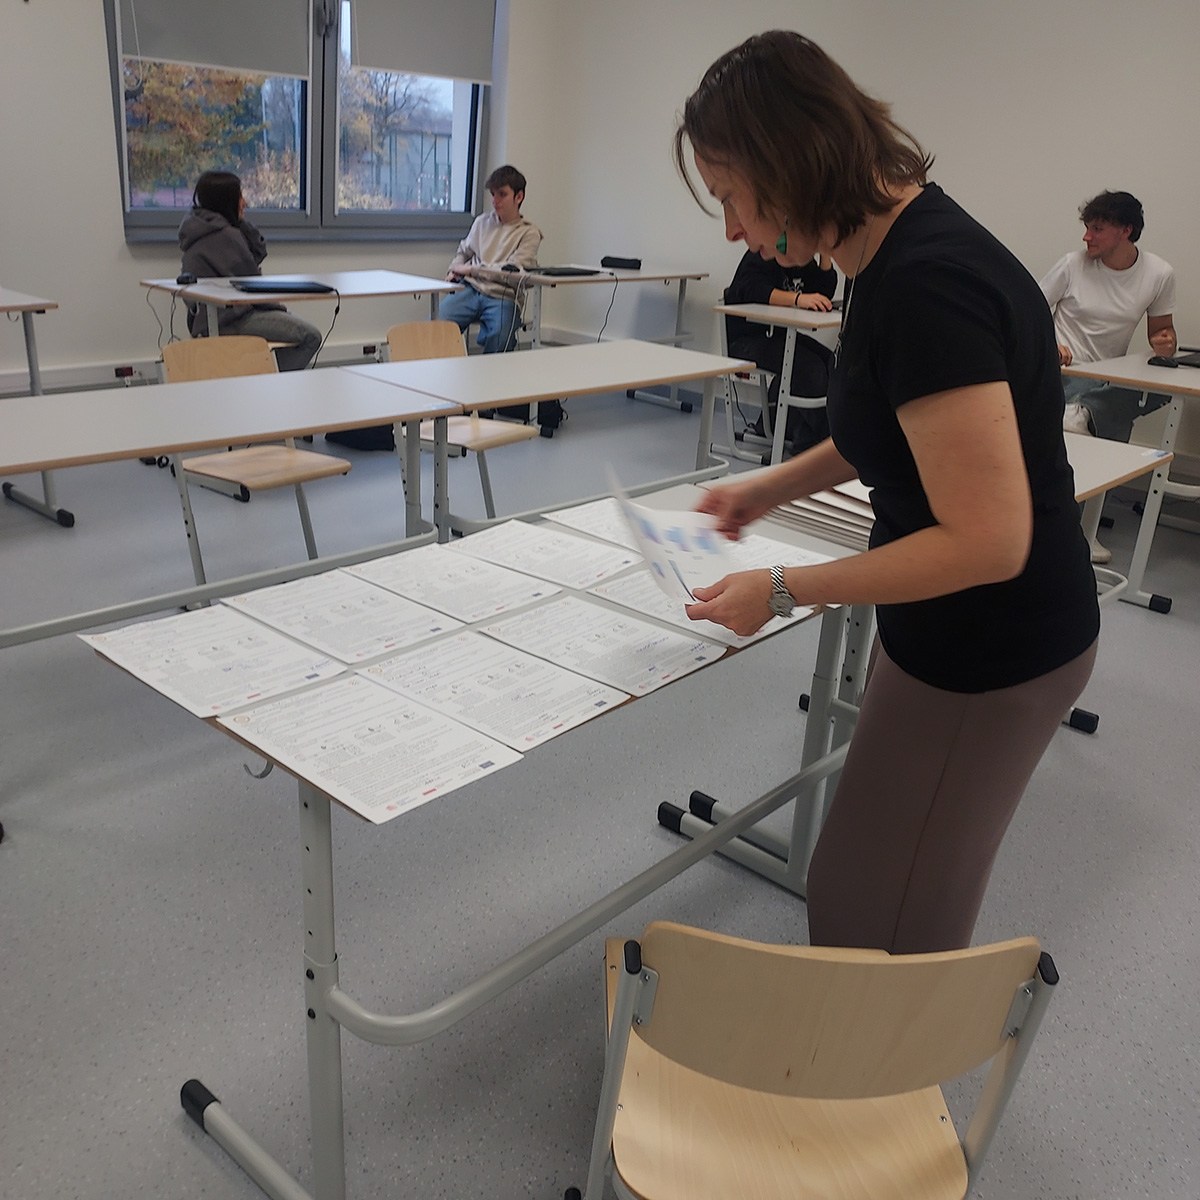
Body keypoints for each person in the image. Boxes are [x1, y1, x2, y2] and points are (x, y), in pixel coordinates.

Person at [674, 31, 1099, 956]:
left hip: (995, 645)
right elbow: (895, 425)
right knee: (867, 883)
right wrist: (767, 490)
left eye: (730, 196)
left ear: (787, 164)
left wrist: (782, 589)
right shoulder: (887, 249)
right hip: (945, 628)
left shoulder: (925, 284)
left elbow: (989, 542)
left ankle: (884, 1051)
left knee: (879, 914)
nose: (733, 230)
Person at [1040, 191, 1176, 561]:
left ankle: (1082, 413)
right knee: (1099, 416)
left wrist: (1165, 342)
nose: (1087, 237)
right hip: (1065, 372)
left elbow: (1162, 333)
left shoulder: (1158, 273)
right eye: (1087, 227)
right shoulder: (1072, 265)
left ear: (1125, 231)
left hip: (1108, 378)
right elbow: (1029, 311)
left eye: (1097, 229)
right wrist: (1051, 344)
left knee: (1143, 393)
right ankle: (1081, 531)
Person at [178, 171, 322, 372]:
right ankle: (265, 378)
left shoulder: (199, 230)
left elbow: (254, 255)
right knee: (311, 336)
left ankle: (257, 376)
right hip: (232, 320)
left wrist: (238, 221)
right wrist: (278, 309)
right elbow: (254, 287)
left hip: (207, 323)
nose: (244, 203)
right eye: (239, 196)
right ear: (226, 200)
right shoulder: (226, 236)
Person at [724, 248, 836, 454]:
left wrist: (826, 255)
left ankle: (787, 431)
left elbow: (822, 293)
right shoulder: (763, 251)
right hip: (746, 339)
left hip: (777, 336)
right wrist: (797, 299)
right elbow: (751, 288)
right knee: (808, 368)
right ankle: (818, 446)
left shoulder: (801, 257)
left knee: (831, 361)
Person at [438, 165, 543, 354]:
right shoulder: (482, 222)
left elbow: (512, 271)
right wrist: (454, 269)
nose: (495, 200)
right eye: (493, 194)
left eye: (502, 194)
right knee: (436, 327)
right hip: (470, 289)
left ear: (519, 197)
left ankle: (490, 373)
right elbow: (463, 252)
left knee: (501, 337)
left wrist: (472, 270)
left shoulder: (529, 233)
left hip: (503, 295)